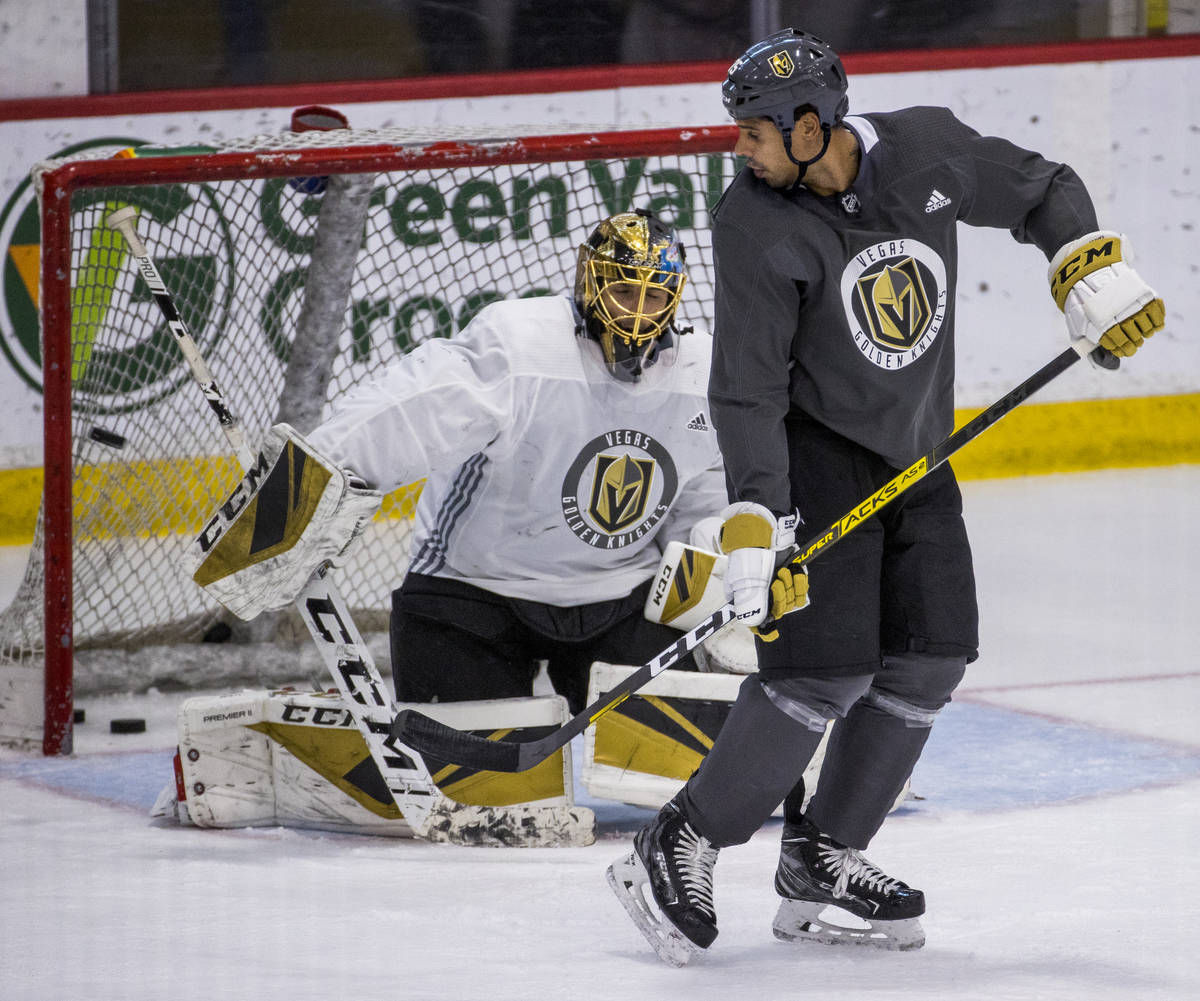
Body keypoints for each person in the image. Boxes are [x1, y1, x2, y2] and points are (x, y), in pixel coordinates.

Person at [607, 28, 1164, 966]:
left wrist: (1087, 268)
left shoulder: (926, 150)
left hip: (918, 449)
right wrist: (755, 518)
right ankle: (686, 834)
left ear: (812, 123)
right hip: (817, 452)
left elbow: (1043, 188)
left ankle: (824, 851)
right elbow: (747, 386)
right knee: (821, 673)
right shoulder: (752, 218)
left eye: (753, 131)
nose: (737, 147)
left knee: (930, 659)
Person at [302, 209, 727, 715]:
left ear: (675, 297)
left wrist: (724, 560)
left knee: (667, 768)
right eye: (623, 291)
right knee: (473, 784)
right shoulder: (522, 345)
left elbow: (701, 497)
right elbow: (415, 409)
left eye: (653, 295)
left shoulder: (702, 373)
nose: (637, 312)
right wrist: (317, 472)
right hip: (475, 592)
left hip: (622, 595)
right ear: (588, 280)